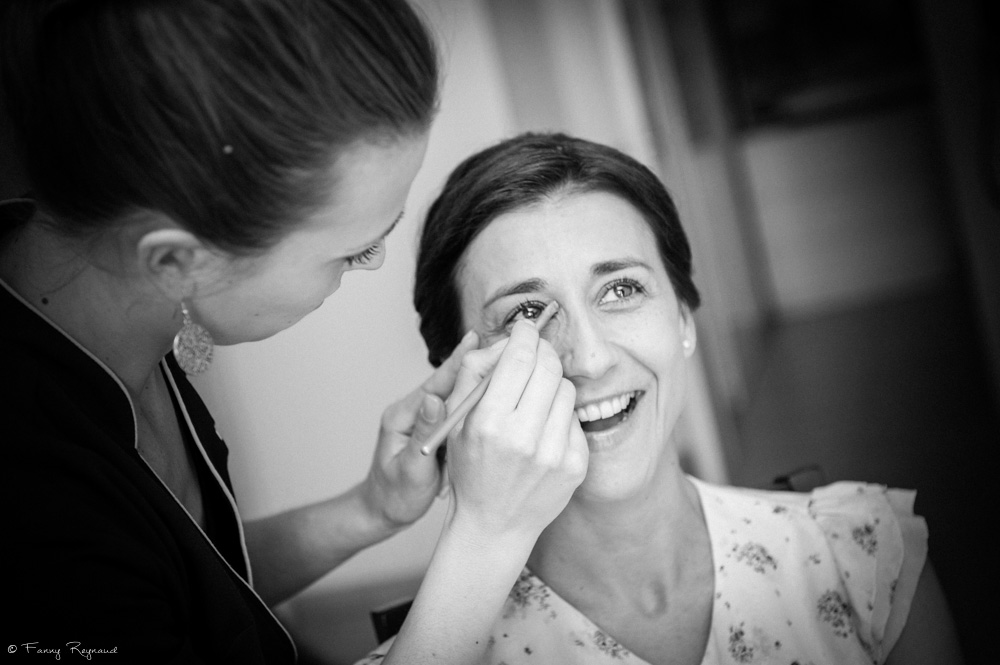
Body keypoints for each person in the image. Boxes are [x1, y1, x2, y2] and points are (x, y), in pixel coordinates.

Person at [1, 2, 588, 663]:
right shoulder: (31, 512)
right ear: (176, 263)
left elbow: (194, 587)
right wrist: (488, 536)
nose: (377, 264)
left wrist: (371, 508)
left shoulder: (92, 296)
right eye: (353, 251)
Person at [358, 132, 965, 664]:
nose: (590, 358)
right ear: (457, 374)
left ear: (683, 319)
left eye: (621, 288)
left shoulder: (863, 557)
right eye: (524, 315)